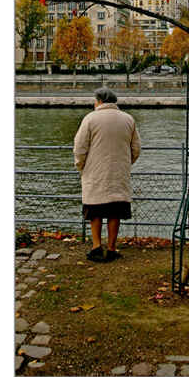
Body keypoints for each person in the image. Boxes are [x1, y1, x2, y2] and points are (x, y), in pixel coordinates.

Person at [73, 87, 141, 262]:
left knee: (94, 208)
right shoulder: (128, 119)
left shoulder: (90, 119)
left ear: (100, 102)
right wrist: (125, 164)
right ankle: (111, 248)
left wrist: (82, 168)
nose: (94, 104)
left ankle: (96, 246)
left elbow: (80, 148)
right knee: (115, 211)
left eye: (95, 101)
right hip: (119, 173)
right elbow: (136, 149)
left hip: (95, 172)